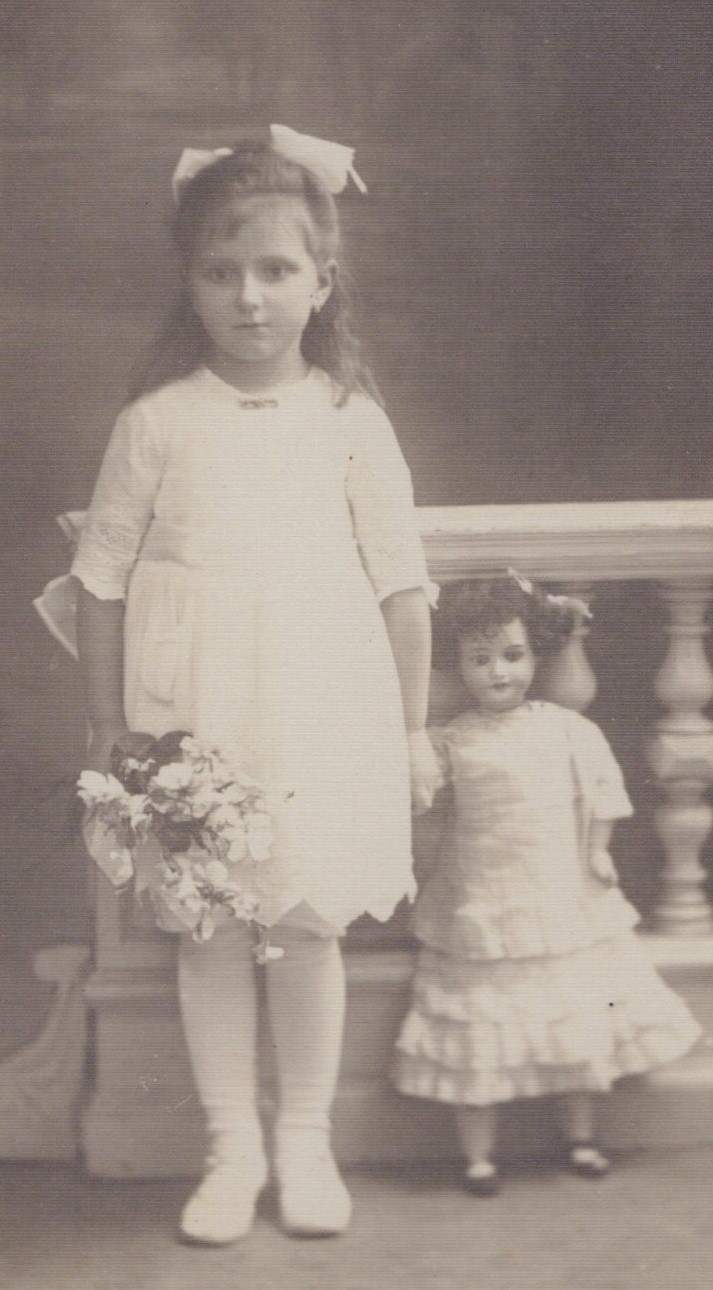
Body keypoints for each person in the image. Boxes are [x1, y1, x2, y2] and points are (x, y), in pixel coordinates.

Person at [43, 126, 439, 1244]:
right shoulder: (157, 423)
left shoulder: (350, 420)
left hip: (320, 706)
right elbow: (102, 582)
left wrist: (412, 732)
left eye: (275, 270)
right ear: (191, 281)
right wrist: (110, 724)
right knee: (209, 928)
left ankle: (305, 1140)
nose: (250, 298)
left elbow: (401, 587)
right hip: (194, 712)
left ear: (321, 281)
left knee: (304, 926)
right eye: (222, 272)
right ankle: (232, 1148)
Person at [392, 573, 700, 1195]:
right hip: (480, 899)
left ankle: (580, 1137)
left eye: (512, 655)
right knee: (479, 1023)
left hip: (557, 891)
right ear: (459, 666)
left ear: (536, 656)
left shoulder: (566, 730)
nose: (498, 672)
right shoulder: (455, 741)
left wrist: (598, 850)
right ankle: (479, 1156)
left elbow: (602, 791)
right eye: (480, 659)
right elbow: (424, 804)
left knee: (570, 1014)